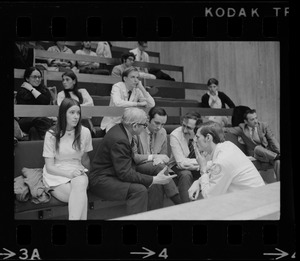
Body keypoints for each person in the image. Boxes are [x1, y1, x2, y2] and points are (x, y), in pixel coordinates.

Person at [89, 107, 176, 215]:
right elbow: (124, 174)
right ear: (134, 126)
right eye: (144, 125)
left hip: (116, 172)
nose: (145, 127)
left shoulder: (122, 130)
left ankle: (154, 216)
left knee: (154, 174)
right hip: (101, 179)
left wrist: (153, 179)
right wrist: (153, 179)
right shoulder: (120, 140)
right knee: (139, 190)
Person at [42, 98, 93, 220]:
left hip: (77, 168)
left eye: (78, 113)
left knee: (80, 186)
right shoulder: (51, 134)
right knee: (80, 196)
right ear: (63, 114)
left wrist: (89, 177)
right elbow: (50, 167)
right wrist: (70, 174)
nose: (76, 116)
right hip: (56, 172)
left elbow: (85, 159)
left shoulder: (85, 132)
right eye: (72, 112)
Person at [188, 121, 265, 200]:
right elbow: (213, 168)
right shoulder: (228, 145)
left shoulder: (221, 161)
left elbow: (209, 196)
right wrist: (198, 182)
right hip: (256, 195)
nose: (194, 140)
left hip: (254, 202)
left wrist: (203, 169)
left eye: (197, 137)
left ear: (208, 138)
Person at [132, 107, 182, 205]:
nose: (159, 127)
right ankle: (178, 201)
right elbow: (135, 158)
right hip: (139, 167)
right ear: (148, 119)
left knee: (158, 181)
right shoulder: (138, 131)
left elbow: (164, 155)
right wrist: (154, 157)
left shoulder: (162, 132)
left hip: (156, 167)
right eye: (157, 123)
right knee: (160, 168)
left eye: (163, 124)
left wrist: (160, 160)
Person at [224, 109, 280, 181]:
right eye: (252, 119)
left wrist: (279, 151)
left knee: (278, 162)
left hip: (268, 154)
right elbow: (228, 130)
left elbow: (272, 139)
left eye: (256, 118)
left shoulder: (263, 126)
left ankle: (279, 184)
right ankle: (276, 156)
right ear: (246, 121)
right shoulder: (242, 129)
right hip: (256, 154)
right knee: (257, 148)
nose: (256, 121)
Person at [100, 67, 155, 134]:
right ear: (125, 78)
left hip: (129, 123)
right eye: (133, 77)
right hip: (114, 122)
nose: (136, 80)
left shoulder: (137, 89)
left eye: (137, 78)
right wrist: (137, 104)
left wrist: (142, 88)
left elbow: (151, 104)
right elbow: (118, 103)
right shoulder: (117, 86)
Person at [168, 111, 203, 203]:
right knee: (185, 174)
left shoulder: (203, 134)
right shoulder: (175, 135)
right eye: (183, 125)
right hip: (175, 166)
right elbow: (180, 163)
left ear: (197, 128)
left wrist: (203, 165)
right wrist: (202, 163)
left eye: (189, 128)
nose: (184, 130)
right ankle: (186, 207)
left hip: (195, 166)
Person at [16, 66, 55, 140]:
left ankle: (36, 149)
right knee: (40, 119)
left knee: (33, 130)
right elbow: (24, 112)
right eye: (34, 77)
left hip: (41, 121)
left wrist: (31, 89)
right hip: (25, 121)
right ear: (27, 78)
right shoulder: (22, 92)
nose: (37, 79)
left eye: (39, 77)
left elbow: (45, 101)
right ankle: (52, 140)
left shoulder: (44, 90)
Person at [56, 70, 96, 137]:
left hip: (83, 121)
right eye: (63, 80)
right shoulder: (61, 94)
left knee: (85, 124)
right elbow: (62, 110)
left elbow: (90, 106)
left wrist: (71, 108)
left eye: (67, 80)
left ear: (74, 81)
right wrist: (80, 109)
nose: (64, 82)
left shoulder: (83, 92)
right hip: (68, 123)